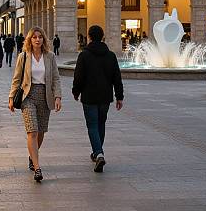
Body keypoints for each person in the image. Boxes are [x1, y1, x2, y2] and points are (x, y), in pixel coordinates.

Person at [8, 26, 62, 182]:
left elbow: (56, 78)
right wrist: (11, 97)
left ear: (43, 39)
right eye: (34, 37)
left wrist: (58, 96)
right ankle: (37, 168)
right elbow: (16, 79)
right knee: (32, 131)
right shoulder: (24, 56)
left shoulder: (50, 56)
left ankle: (33, 155)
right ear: (29, 40)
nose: (37, 39)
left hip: (46, 96)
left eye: (40, 37)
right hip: (28, 96)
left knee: (41, 132)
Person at [72, 25, 123, 173]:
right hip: (105, 97)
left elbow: (78, 76)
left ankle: (99, 153)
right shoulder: (111, 55)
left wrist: (76, 91)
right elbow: (117, 78)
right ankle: (97, 152)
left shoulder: (84, 55)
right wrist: (119, 96)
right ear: (102, 37)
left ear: (89, 37)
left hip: (89, 96)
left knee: (92, 125)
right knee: (101, 124)